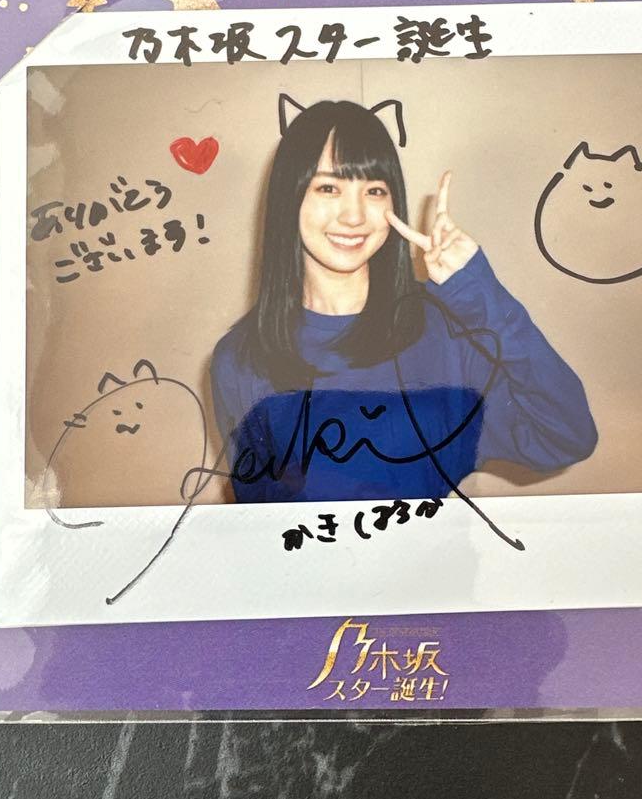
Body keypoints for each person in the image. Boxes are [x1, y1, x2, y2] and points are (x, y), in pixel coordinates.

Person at [209, 97, 597, 504]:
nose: (354, 216)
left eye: (374, 190)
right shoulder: (239, 358)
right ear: (289, 198)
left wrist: (479, 293)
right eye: (328, 188)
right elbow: (259, 512)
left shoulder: (446, 331)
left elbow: (566, 437)